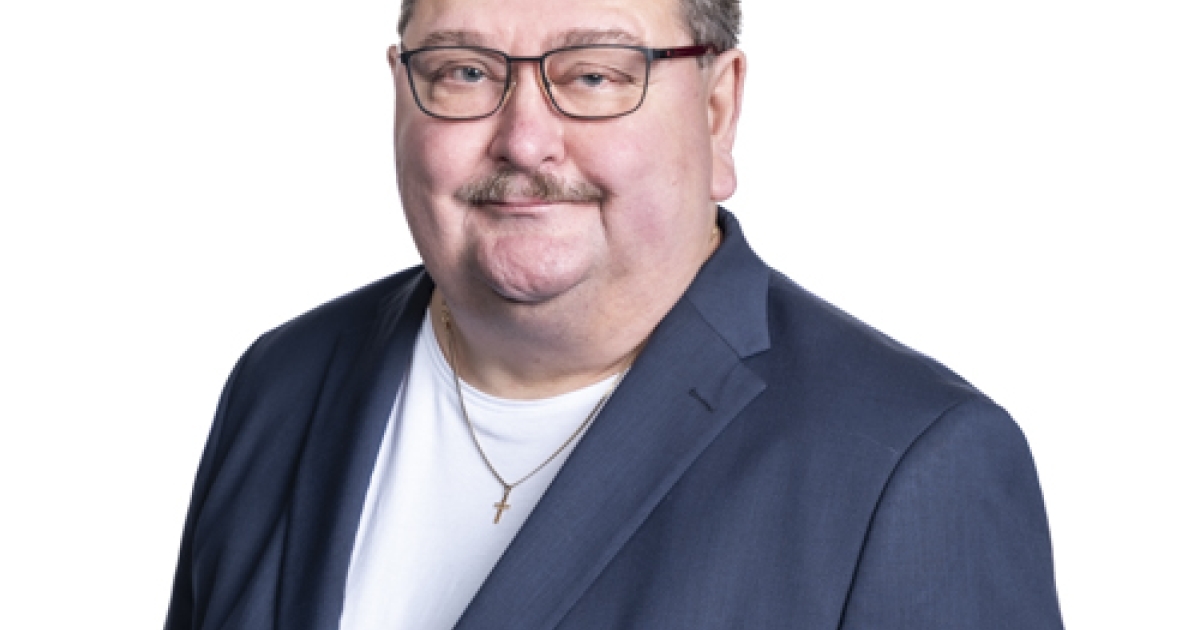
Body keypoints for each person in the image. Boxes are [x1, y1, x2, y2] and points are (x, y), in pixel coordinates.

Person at [165, 0, 1064, 628]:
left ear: (718, 110)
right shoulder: (280, 386)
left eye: (594, 75)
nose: (524, 140)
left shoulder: (912, 468)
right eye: (465, 70)